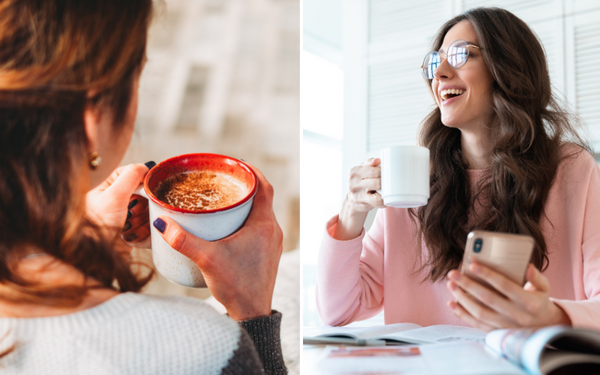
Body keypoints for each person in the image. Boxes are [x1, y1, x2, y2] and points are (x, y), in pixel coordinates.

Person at [0, 1, 287, 374]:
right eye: (137, 77)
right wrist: (253, 313)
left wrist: (73, 245)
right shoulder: (200, 346)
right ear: (93, 120)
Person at [317, 7, 600, 332]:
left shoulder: (571, 170)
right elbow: (337, 311)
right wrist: (350, 214)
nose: (439, 74)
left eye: (461, 54)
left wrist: (550, 315)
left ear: (507, 66)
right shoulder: (412, 182)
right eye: (435, 62)